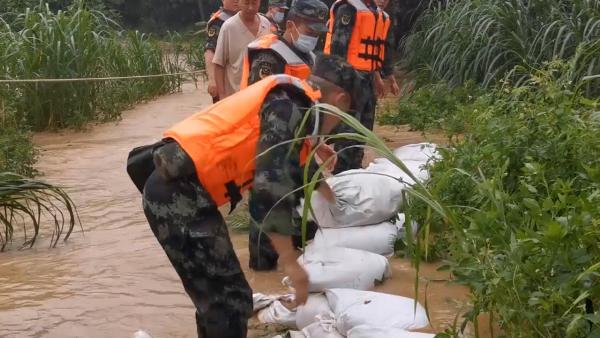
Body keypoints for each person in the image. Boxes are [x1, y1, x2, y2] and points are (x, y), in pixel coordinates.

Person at [135, 54, 358, 338]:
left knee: (222, 300)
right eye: (344, 117)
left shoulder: (291, 101)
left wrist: (320, 178)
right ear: (340, 100)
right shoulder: (289, 106)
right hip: (178, 195)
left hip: (182, 192)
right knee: (229, 302)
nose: (337, 126)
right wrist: (291, 262)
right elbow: (268, 185)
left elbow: (274, 153)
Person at [323, 0, 392, 174]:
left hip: (366, 78)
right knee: (348, 129)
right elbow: (338, 48)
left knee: (364, 128)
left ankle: (355, 170)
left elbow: (375, 49)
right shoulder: (348, 8)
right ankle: (341, 173)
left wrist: (377, 75)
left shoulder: (373, 11)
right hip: (350, 77)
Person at [240, 0, 329, 89]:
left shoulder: (311, 56)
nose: (313, 38)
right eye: (309, 32)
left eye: (317, 34)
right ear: (290, 26)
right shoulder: (269, 58)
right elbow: (260, 96)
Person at [213, 0, 271, 99]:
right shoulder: (229, 27)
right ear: (239, 2)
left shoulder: (266, 24)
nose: (250, 8)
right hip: (236, 95)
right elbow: (218, 63)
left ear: (259, 3)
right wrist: (222, 96)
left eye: (254, 3)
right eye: (246, 3)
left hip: (262, 94)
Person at [205, 0, 240, 103]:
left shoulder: (250, 19)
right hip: (225, 81)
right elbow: (210, 51)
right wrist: (212, 79)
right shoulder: (218, 21)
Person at [373, 0, 399, 98]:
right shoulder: (360, 14)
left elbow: (385, 50)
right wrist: (377, 77)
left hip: (371, 73)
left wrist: (392, 80)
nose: (382, 1)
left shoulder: (385, 18)